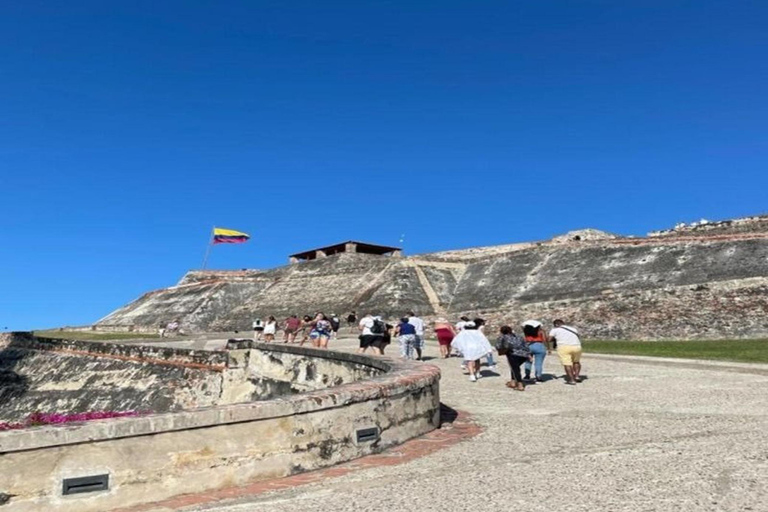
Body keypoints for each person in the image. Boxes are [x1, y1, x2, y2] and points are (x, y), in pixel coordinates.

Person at [549, 319, 583, 385]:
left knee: (567, 363)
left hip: (563, 347)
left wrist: (555, 339)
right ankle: (577, 376)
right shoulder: (573, 329)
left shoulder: (555, 330)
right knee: (576, 361)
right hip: (577, 346)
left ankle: (571, 380)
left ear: (556, 325)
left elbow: (549, 339)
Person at [496, 325, 530, 391]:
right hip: (523, 354)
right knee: (514, 367)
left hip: (512, 354)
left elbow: (498, 346)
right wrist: (528, 354)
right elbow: (525, 345)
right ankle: (513, 382)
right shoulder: (519, 336)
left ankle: (520, 384)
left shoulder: (502, 337)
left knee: (515, 369)